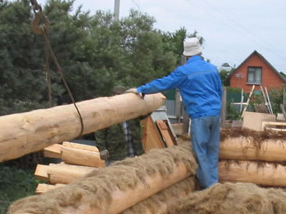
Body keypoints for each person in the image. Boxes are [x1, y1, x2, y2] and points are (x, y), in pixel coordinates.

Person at [127, 37, 222, 189]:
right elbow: (218, 91)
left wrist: (141, 89)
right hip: (215, 114)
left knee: (201, 152)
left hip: (199, 115)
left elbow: (163, 83)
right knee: (213, 150)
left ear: (186, 55)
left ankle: (209, 188)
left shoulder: (184, 72)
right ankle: (215, 184)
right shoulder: (212, 68)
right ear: (199, 51)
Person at [95, 86, 145, 166]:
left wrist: (142, 95)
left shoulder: (132, 111)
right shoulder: (107, 112)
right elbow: (99, 133)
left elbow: (146, 112)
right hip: (115, 155)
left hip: (133, 153)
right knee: (114, 176)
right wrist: (102, 149)